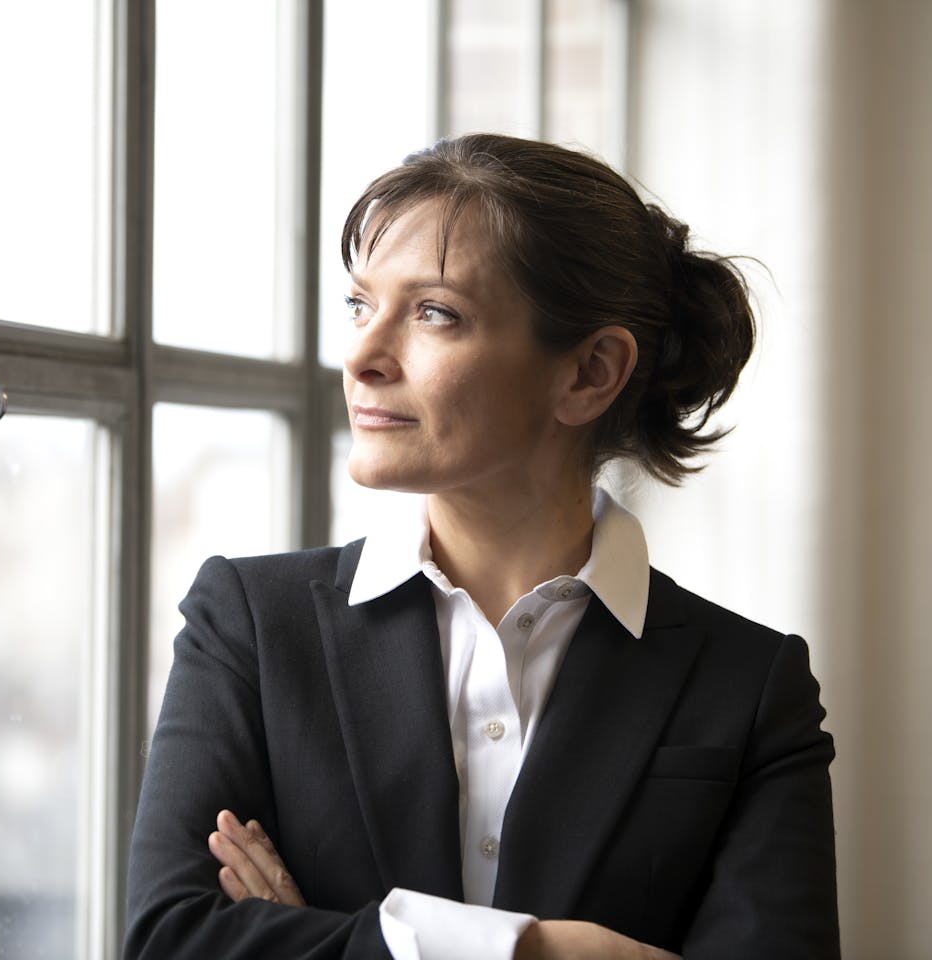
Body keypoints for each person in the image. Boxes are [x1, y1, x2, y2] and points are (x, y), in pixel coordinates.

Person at [123, 133, 839, 959]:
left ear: (590, 373)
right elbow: (173, 940)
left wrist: (326, 936)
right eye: (360, 305)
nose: (360, 355)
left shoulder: (749, 686)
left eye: (434, 313)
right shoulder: (250, 624)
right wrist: (545, 952)